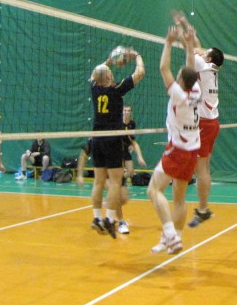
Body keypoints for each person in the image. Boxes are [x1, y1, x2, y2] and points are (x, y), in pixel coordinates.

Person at [147, 24, 201, 255]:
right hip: (192, 151)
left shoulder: (178, 94)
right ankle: (175, 238)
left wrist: (169, 42)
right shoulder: (196, 90)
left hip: (178, 149)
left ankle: (169, 232)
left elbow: (163, 67)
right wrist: (189, 43)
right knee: (179, 198)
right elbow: (191, 67)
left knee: (153, 190)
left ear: (180, 79)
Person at [172, 10, 225, 229]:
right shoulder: (210, 67)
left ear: (209, 58)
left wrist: (180, 33)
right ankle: (203, 208)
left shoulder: (202, 64)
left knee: (200, 168)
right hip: (212, 121)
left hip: (203, 122)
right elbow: (199, 48)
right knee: (203, 167)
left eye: (206, 53)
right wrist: (185, 23)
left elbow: (191, 49)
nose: (202, 52)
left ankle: (202, 209)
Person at [89, 47, 145, 238]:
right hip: (112, 139)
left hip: (96, 139)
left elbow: (94, 74)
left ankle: (96, 217)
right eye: (110, 72)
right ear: (109, 77)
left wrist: (108, 62)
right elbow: (140, 73)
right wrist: (137, 56)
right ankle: (109, 218)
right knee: (115, 182)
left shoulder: (94, 89)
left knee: (98, 181)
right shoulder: (117, 90)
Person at [77, 138, 132, 234]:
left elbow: (130, 169)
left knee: (123, 198)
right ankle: (119, 222)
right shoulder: (94, 141)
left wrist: (121, 178)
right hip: (105, 175)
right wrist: (80, 175)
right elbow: (83, 156)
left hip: (117, 174)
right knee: (116, 195)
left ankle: (108, 205)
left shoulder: (122, 143)